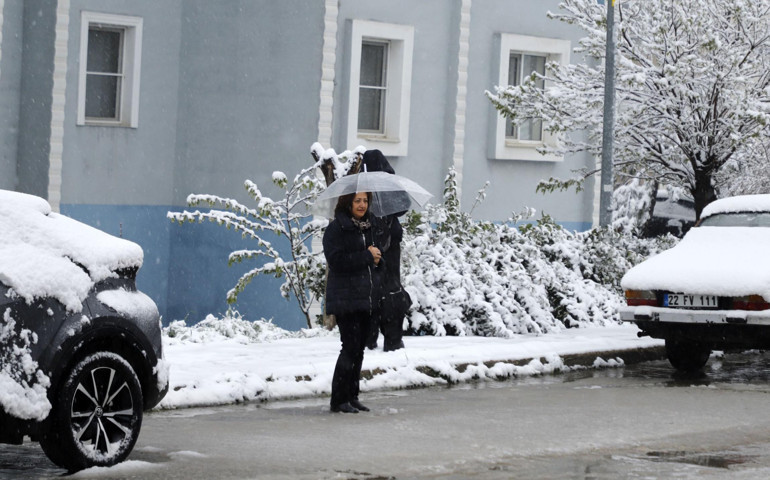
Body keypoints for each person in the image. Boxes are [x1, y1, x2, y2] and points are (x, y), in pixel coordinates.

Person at [323, 190, 386, 413]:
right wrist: (367, 256)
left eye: (365, 201)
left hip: (364, 297)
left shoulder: (369, 227)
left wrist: (377, 259)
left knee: (359, 348)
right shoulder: (336, 229)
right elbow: (337, 261)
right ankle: (338, 399)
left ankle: (352, 396)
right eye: (357, 201)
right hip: (345, 297)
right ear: (347, 203)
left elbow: (373, 260)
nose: (362, 205)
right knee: (349, 347)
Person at [362, 149, 411, 352]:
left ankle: (377, 339)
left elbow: (402, 206)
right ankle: (388, 339)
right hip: (382, 251)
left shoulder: (380, 185)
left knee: (379, 293)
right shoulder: (370, 187)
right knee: (386, 293)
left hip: (384, 251)